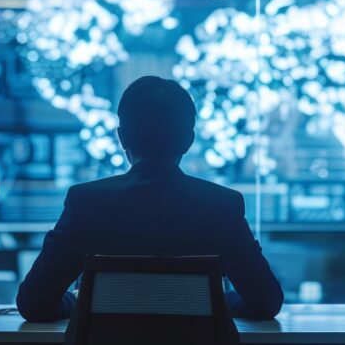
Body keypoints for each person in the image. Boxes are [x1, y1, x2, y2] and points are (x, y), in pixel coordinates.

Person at [17, 76, 283, 322]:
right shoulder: (222, 206)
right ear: (188, 141)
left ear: (122, 137)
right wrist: (208, 301)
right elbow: (266, 303)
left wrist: (85, 302)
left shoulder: (86, 203)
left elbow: (34, 303)